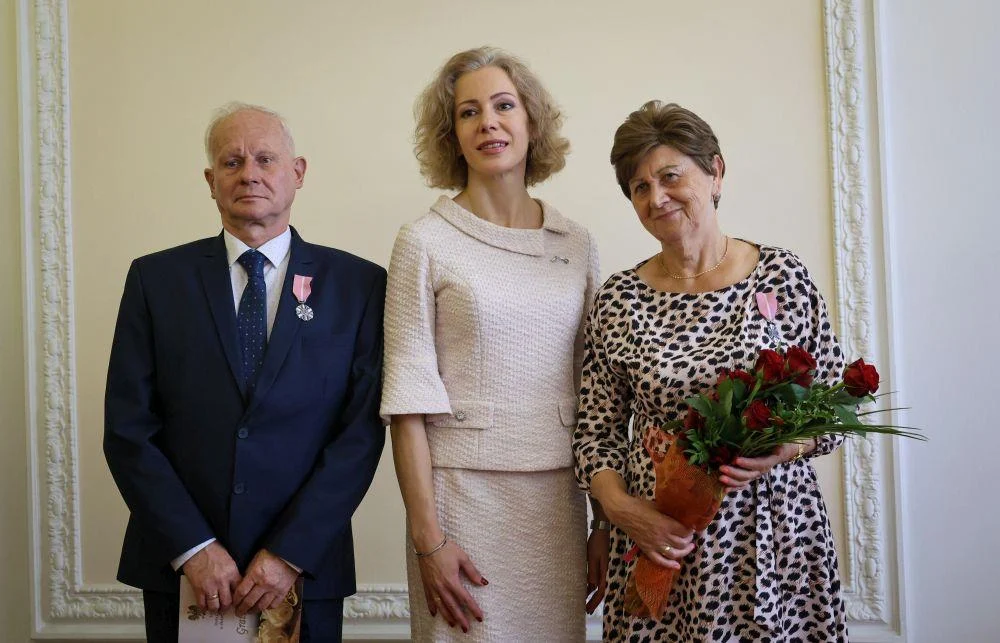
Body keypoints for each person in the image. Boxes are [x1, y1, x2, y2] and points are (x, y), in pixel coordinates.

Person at [104, 103, 386, 642]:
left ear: (297, 172)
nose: (249, 174)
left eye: (265, 159)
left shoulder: (359, 285)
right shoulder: (154, 280)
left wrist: (288, 553)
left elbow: (360, 434)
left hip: (304, 570)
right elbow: (128, 429)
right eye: (232, 162)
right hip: (183, 570)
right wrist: (194, 548)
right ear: (211, 181)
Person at [573, 101, 849, 642]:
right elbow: (594, 435)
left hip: (773, 539)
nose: (657, 197)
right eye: (639, 187)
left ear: (715, 172)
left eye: (670, 177)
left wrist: (786, 448)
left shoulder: (782, 275)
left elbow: (836, 404)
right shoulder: (618, 299)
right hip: (660, 542)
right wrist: (623, 512)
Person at [380, 47, 606, 641]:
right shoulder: (423, 241)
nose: (488, 123)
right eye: (468, 112)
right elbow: (406, 405)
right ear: (451, 135)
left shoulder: (576, 244)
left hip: (557, 503)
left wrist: (604, 523)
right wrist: (428, 540)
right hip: (460, 504)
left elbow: (598, 399)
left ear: (532, 121)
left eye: (504, 106)